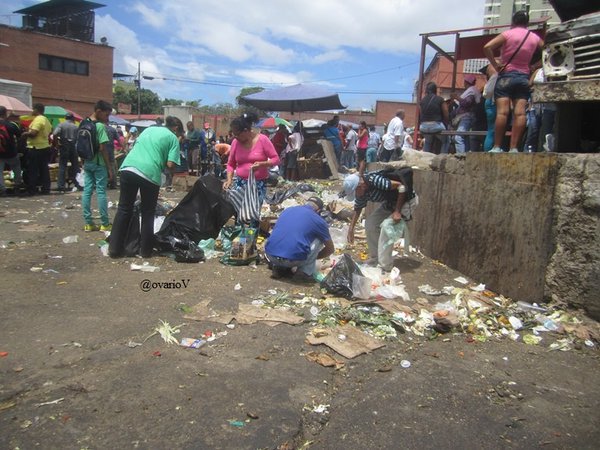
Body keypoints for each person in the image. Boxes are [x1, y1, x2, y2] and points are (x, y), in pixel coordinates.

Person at [108, 116, 183, 258]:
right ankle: (145, 251)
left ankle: (114, 249)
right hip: (149, 173)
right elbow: (170, 165)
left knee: (124, 208)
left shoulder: (149, 130)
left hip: (128, 167)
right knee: (148, 212)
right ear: (176, 128)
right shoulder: (173, 138)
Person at [484, 10, 544, 153]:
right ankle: (514, 148)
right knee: (520, 113)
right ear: (527, 22)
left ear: (513, 21)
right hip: (523, 77)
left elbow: (487, 47)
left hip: (506, 76)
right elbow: (548, 50)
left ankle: (497, 147)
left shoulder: (508, 34)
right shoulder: (534, 37)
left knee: (502, 113)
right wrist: (535, 66)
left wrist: (496, 64)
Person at [347, 168, 415, 271]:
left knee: (387, 227)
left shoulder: (374, 180)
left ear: (360, 186)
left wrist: (397, 211)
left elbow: (401, 187)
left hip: (406, 202)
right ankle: (376, 258)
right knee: (370, 224)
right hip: (390, 203)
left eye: (355, 192)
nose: (356, 196)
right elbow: (358, 208)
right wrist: (351, 229)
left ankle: (385, 266)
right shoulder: (361, 192)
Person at [223, 112, 280, 223]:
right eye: (233, 134)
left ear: (246, 131)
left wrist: (262, 164)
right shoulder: (235, 142)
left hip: (258, 184)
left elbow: (276, 159)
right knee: (240, 213)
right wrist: (229, 179)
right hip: (241, 184)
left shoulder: (263, 140)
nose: (235, 137)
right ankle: (240, 237)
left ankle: (252, 237)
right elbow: (230, 164)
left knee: (253, 214)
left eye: (237, 134)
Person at [265, 196, 334, 282]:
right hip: (293, 260)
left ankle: (279, 268)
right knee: (320, 238)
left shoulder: (287, 210)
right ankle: (304, 272)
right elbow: (330, 249)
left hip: (271, 256)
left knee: (285, 234)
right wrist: (313, 258)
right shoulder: (318, 220)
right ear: (318, 211)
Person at [81, 100, 115, 232]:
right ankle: (104, 223)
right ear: (99, 111)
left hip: (87, 162)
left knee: (87, 191)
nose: (107, 118)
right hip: (99, 163)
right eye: (106, 115)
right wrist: (108, 167)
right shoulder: (100, 127)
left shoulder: (84, 123)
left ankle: (88, 223)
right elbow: (102, 148)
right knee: (101, 191)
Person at [20, 103, 52, 195]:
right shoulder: (46, 120)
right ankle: (46, 189)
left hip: (35, 148)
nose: (32, 111)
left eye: (33, 109)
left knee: (33, 170)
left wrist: (25, 134)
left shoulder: (38, 119)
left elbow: (34, 133)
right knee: (44, 169)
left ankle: (32, 189)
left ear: (37, 110)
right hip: (44, 146)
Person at [452, 74, 481, 153]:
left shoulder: (471, 91)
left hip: (466, 117)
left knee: (458, 137)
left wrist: (457, 98)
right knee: (465, 137)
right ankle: (466, 155)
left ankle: (461, 157)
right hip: (467, 117)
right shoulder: (472, 90)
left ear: (466, 82)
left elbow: (467, 102)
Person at [52, 112, 81, 192]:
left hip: (64, 147)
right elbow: (79, 138)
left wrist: (57, 144)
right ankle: (78, 184)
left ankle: (61, 186)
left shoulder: (61, 125)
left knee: (62, 166)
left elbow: (54, 134)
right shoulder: (76, 126)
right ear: (72, 118)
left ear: (65, 118)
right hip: (73, 147)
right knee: (75, 166)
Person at [419, 82, 449, 154]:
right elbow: (446, 113)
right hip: (436, 126)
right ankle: (442, 158)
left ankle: (425, 158)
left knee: (428, 141)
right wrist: (447, 123)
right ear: (435, 90)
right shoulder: (440, 99)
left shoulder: (422, 101)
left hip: (423, 127)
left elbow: (420, 114)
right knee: (446, 141)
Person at [0, 106, 23, 196]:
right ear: (5, 113)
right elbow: (19, 135)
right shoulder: (11, 124)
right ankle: (17, 187)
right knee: (17, 169)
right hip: (11, 153)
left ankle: (2, 190)